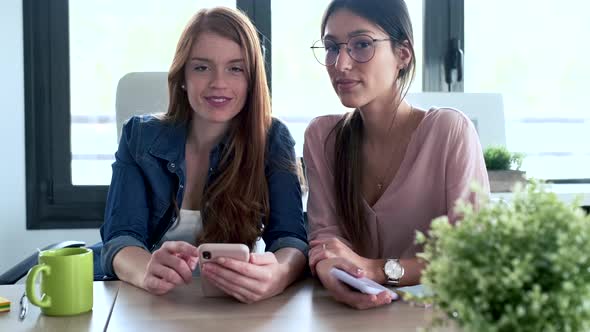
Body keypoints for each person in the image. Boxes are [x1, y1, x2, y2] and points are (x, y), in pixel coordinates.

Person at [97, 7, 307, 303]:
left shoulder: (273, 139)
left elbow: (291, 240)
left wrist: (279, 275)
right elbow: (120, 239)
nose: (218, 83)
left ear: (252, 80)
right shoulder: (139, 136)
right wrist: (147, 270)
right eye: (201, 67)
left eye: (235, 68)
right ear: (182, 75)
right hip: (148, 305)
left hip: (233, 305)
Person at [304, 0, 489, 310]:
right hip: (351, 319)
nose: (341, 64)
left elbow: (472, 255)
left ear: (403, 54)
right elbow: (325, 240)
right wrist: (330, 271)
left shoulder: (448, 131)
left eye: (361, 44)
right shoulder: (323, 137)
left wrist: (378, 270)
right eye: (332, 47)